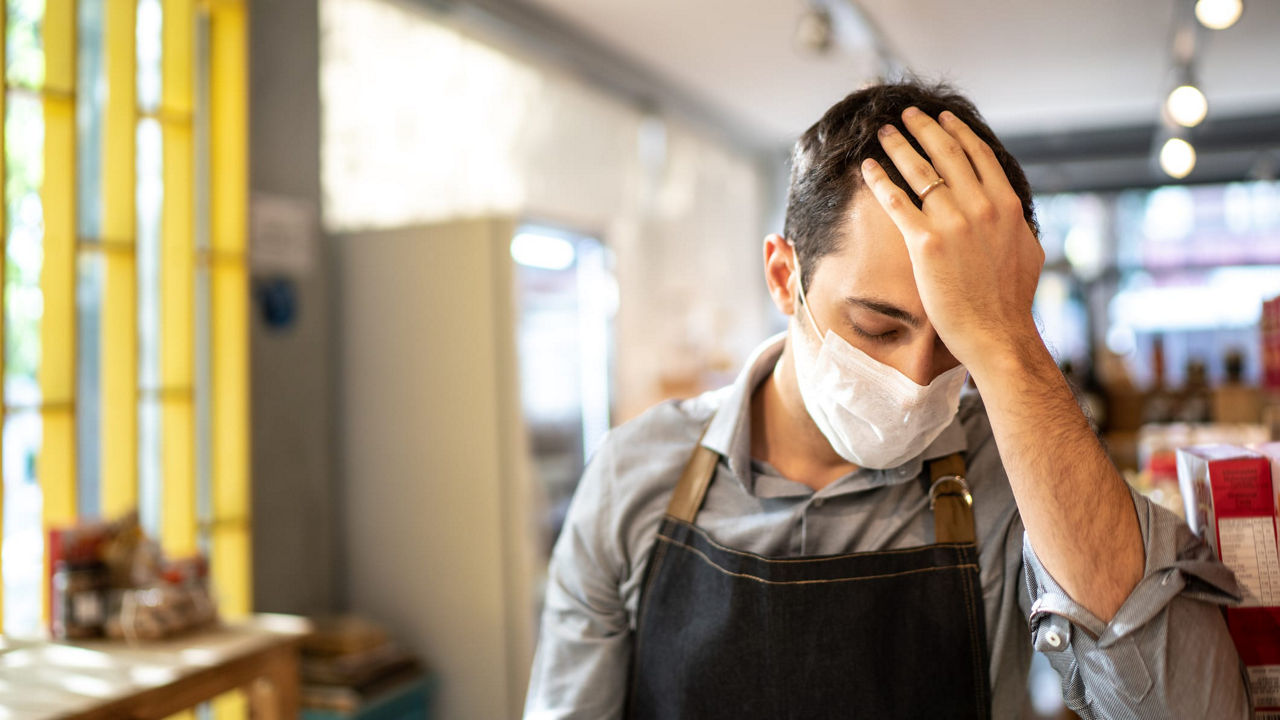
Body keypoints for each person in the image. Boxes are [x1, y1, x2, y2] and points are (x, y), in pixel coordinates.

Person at [523, 80, 1249, 719]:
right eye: (877, 326)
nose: (914, 378)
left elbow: (1183, 709)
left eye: (955, 339)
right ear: (784, 277)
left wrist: (1009, 344)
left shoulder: (1016, 472)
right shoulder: (634, 474)